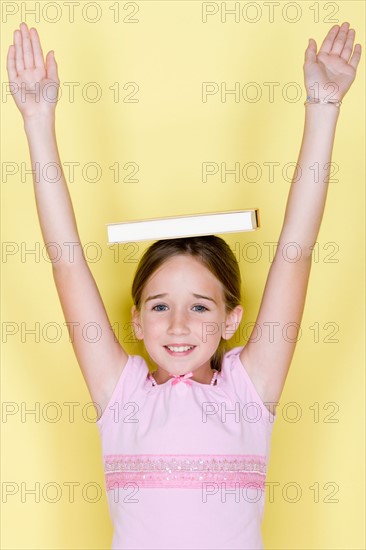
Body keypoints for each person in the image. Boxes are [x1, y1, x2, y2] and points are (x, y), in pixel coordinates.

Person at [7, 21, 361, 550]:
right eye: (159, 306)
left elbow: (296, 250)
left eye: (199, 307)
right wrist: (37, 121)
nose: (177, 325)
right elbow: (65, 260)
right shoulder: (120, 394)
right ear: (135, 319)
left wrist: (324, 108)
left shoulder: (249, 391)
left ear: (231, 319)